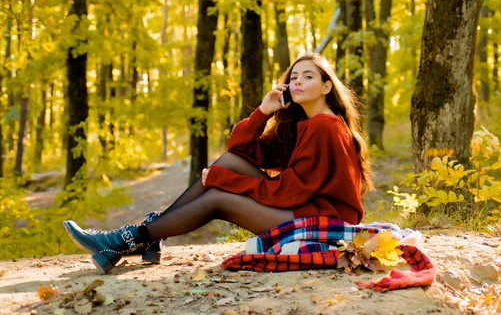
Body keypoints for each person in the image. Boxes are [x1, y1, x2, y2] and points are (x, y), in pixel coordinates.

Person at [63, 53, 374, 274]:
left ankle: (127, 239)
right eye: (293, 77)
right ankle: (144, 236)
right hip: (304, 207)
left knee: (216, 198)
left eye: (309, 77)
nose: (298, 82)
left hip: (326, 220)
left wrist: (224, 180)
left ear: (326, 87)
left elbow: (292, 190)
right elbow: (240, 151)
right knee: (228, 163)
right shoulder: (302, 124)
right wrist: (262, 113)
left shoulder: (324, 126)